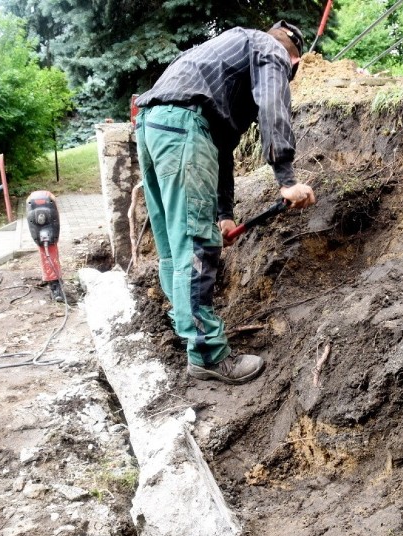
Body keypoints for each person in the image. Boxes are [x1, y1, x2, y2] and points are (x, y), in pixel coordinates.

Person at [134, 20, 316, 385]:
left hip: (151, 127)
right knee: (197, 245)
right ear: (293, 62)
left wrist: (224, 214)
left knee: (173, 243)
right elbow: (272, 106)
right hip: (183, 127)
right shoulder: (273, 50)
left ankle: (185, 325)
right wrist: (286, 178)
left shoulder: (222, 53)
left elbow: (220, 149)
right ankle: (206, 354)